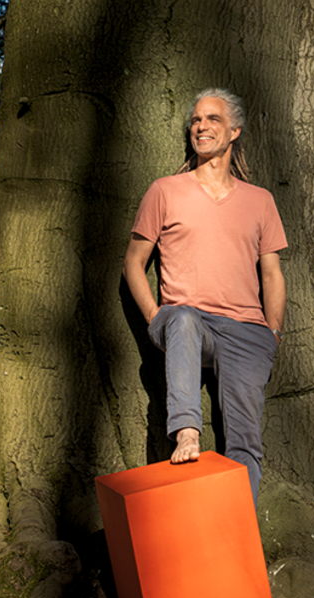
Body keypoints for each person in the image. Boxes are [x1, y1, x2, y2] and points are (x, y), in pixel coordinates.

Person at [122, 88, 287, 505]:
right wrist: (155, 315)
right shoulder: (165, 191)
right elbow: (134, 263)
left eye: (212, 119)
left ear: (234, 131)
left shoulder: (260, 200)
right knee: (184, 318)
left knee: (246, 444)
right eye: (196, 120)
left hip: (247, 332)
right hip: (185, 323)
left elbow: (272, 272)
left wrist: (273, 331)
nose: (201, 126)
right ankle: (187, 431)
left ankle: (238, 529)